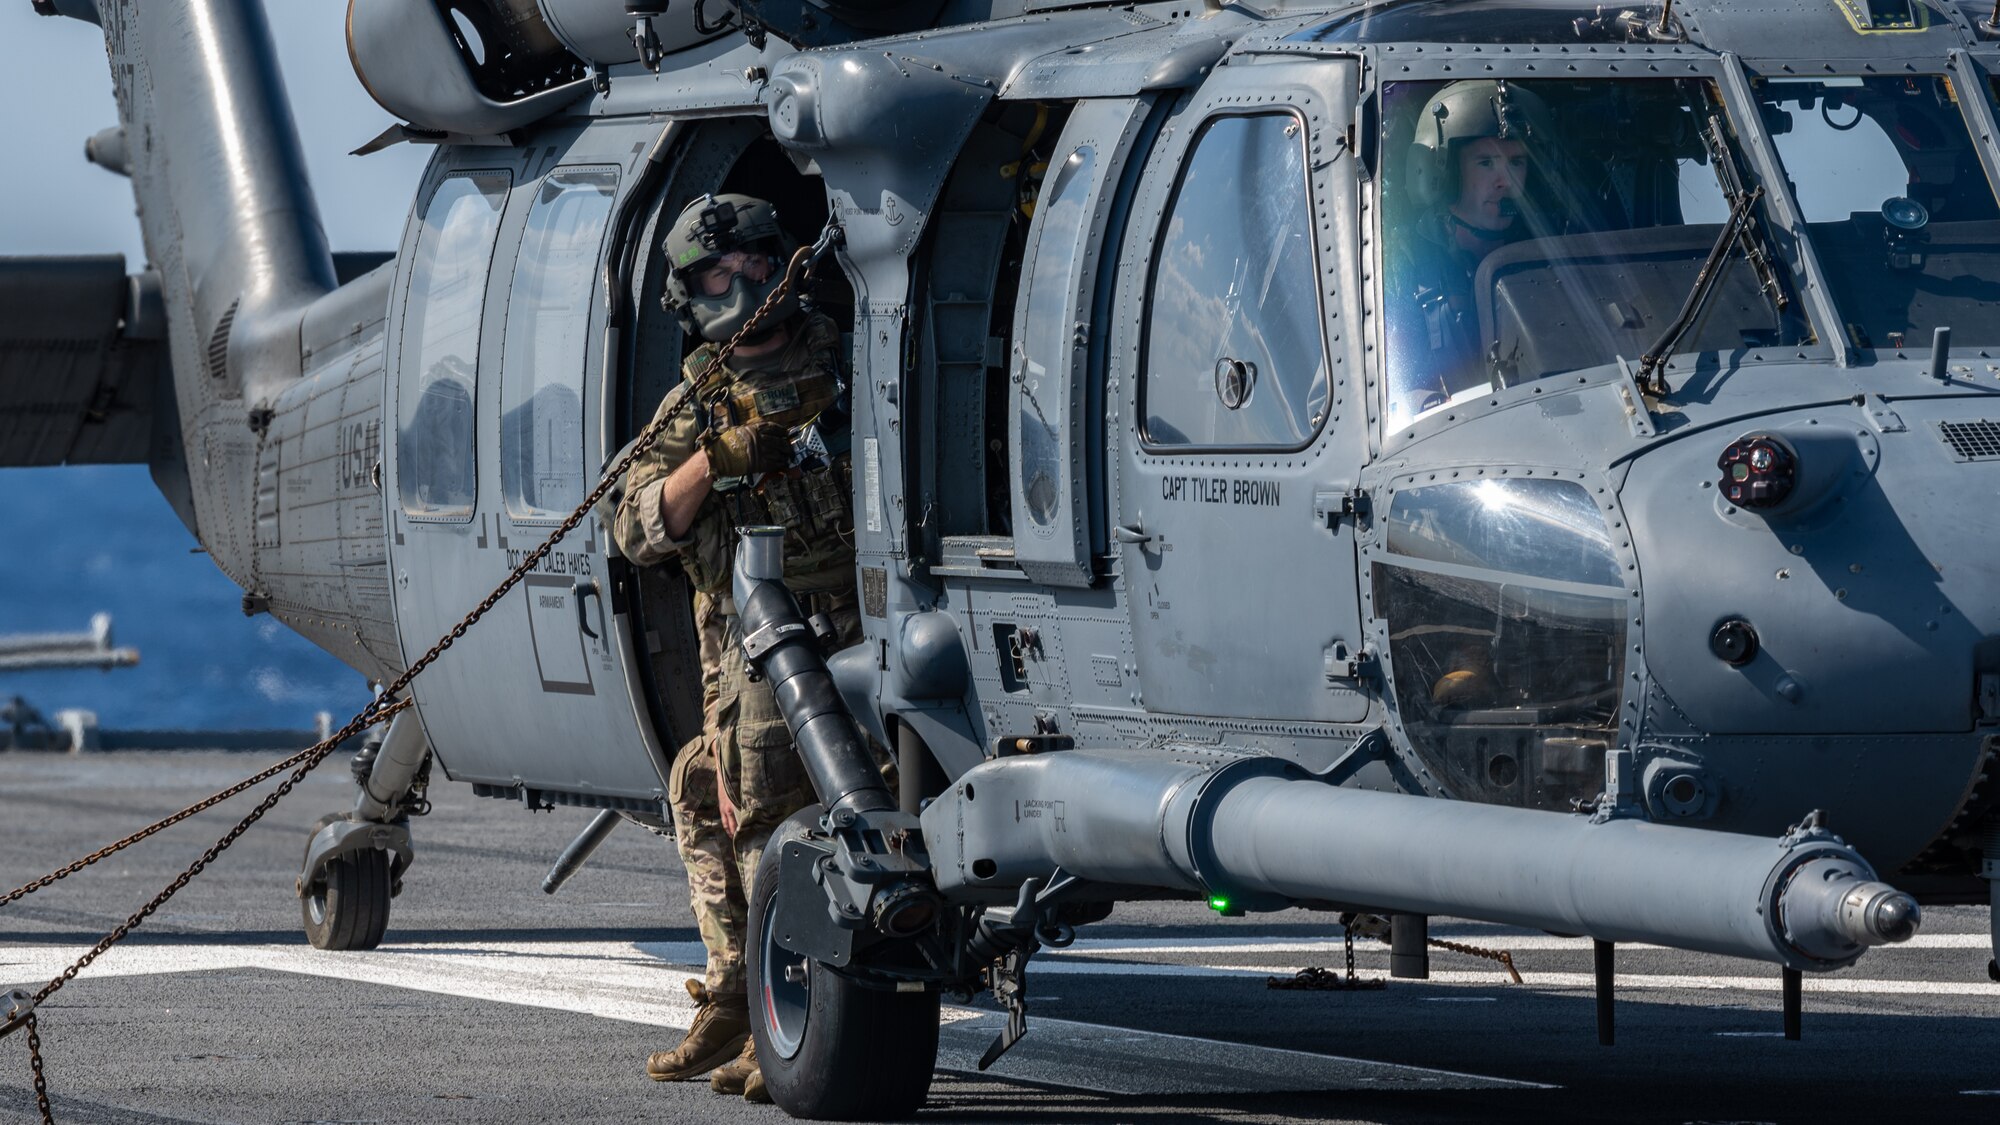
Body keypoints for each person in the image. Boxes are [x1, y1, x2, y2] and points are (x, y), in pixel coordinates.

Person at [610, 193, 860, 1104]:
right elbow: (635, 528)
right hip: (749, 645)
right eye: (721, 270)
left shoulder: (851, 364)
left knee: (772, 821)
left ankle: (786, 1005)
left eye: (758, 259)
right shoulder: (698, 404)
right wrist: (713, 463)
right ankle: (737, 990)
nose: (746, 278)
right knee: (702, 789)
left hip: (851, 633)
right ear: (689, 292)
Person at [1386, 79, 1556, 418]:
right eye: (1486, 163)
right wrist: (1424, 404)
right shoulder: (1400, 262)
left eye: (1517, 163)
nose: (1505, 181)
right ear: (1443, 174)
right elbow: (1366, 388)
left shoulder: (1546, 253)